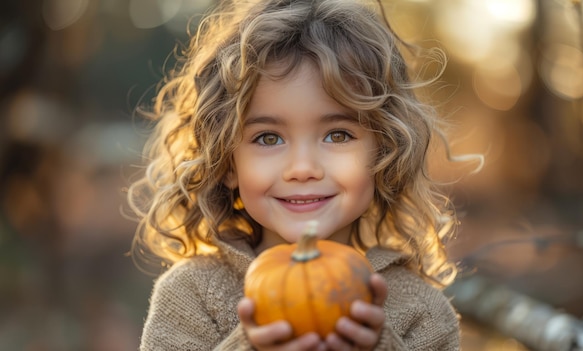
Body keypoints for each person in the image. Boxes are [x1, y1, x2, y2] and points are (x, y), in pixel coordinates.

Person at [128, 0, 474, 349]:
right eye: (268, 138)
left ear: (384, 152)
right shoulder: (191, 297)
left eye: (337, 135)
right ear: (228, 164)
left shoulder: (422, 311)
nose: (303, 168)